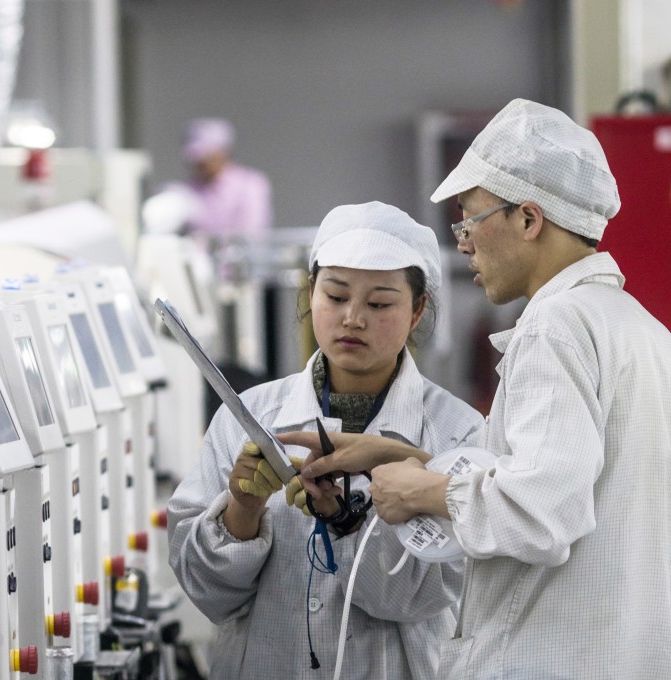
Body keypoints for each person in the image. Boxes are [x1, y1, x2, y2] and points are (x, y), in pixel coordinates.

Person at [289, 99, 671, 678]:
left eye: (469, 219)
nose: (463, 242)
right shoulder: (638, 326)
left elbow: (543, 511)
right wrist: (401, 457)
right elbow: (555, 477)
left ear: (528, 218)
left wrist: (420, 494)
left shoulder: (556, 326)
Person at [167, 201, 484, 679]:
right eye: (335, 296)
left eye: (378, 303)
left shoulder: (456, 435)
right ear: (311, 292)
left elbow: (418, 597)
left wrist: (345, 520)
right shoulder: (248, 417)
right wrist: (243, 510)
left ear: (417, 309)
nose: (353, 318)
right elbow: (208, 594)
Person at [176, 118, 272, 247]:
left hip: (240, 265)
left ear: (223, 152)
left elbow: (252, 235)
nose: (198, 163)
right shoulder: (187, 190)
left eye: (205, 157)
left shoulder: (250, 185)